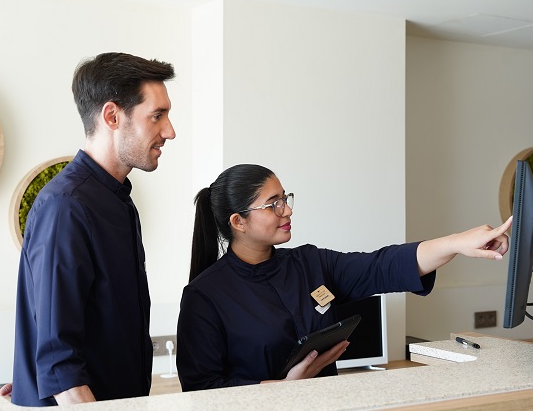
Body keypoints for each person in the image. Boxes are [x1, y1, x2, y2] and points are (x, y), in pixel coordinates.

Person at [176, 164, 512, 391]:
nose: (287, 210)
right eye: (273, 204)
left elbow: (383, 266)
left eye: (285, 199)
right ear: (239, 222)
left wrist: (457, 242)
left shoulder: (310, 263)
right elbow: (202, 390)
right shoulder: (205, 296)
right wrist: (284, 389)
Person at [9, 52, 176, 406]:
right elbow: (60, 366)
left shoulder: (117, 201)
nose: (169, 131)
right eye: (157, 116)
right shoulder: (66, 206)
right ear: (112, 116)